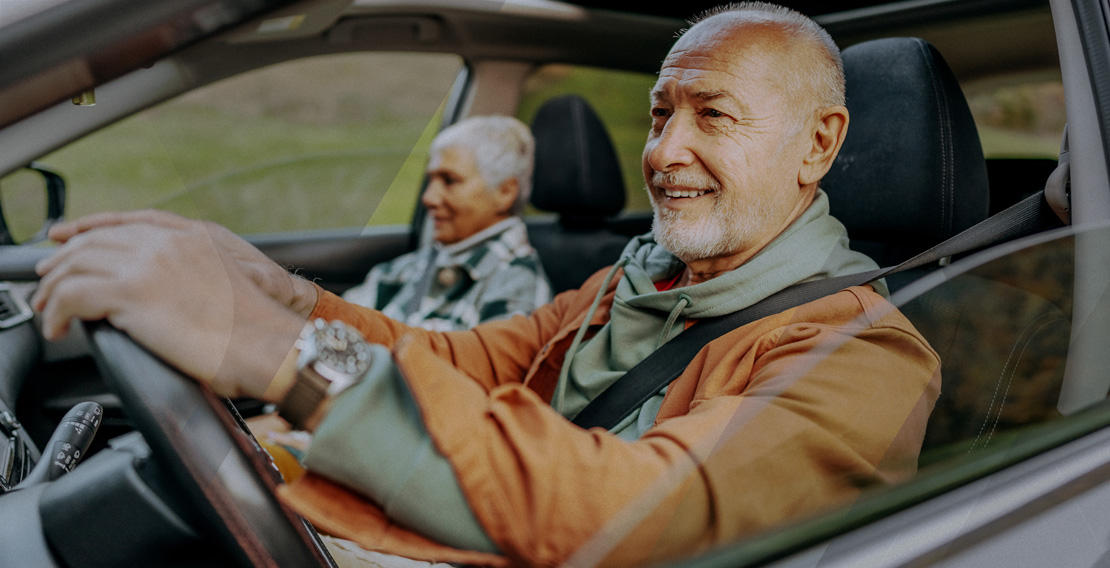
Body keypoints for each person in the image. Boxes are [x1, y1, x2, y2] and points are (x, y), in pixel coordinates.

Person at [31, 3, 941, 567]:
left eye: (715, 116)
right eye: (661, 113)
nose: (663, 152)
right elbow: (462, 365)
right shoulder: (636, 280)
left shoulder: (866, 356)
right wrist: (286, 299)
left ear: (818, 145)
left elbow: (633, 514)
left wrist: (289, 358)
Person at [342, 115, 552, 332]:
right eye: (430, 180)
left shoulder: (517, 292)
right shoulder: (402, 271)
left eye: (450, 180)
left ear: (505, 192)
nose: (429, 198)